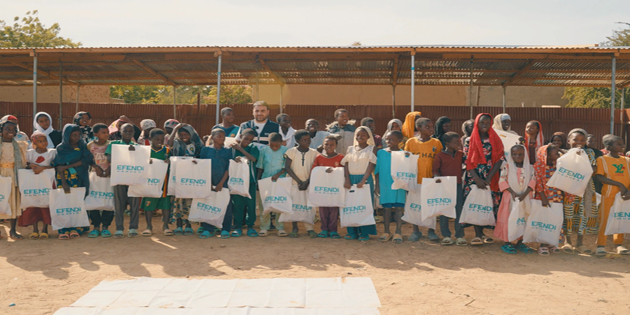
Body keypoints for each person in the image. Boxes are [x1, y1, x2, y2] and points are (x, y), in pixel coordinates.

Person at [463, 113, 505, 246]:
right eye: (482, 123)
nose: (484, 126)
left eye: (487, 123)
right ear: (477, 123)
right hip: (474, 175)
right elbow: (467, 160)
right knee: (476, 203)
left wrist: (488, 178)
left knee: (488, 204)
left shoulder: (495, 139)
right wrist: (477, 178)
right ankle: (477, 234)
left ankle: (484, 233)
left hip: (490, 176)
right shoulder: (469, 140)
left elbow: (499, 159)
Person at [404, 117, 443, 241]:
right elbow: (405, 160)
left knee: (431, 207)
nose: (431, 129)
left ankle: (431, 231)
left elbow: (440, 161)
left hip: (430, 180)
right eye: (427, 127)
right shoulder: (411, 142)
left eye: (432, 127)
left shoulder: (436, 143)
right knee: (415, 206)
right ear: (418, 128)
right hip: (415, 180)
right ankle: (416, 231)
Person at [561, 128, 599, 254]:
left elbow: (593, 168)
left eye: (582, 140)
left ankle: (580, 243)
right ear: (568, 141)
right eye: (575, 139)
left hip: (585, 188)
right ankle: (568, 242)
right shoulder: (563, 153)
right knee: (568, 214)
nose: (579, 142)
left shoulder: (589, 153)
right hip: (569, 188)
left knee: (582, 213)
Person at [54, 124, 94, 240]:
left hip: (79, 177)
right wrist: (64, 181)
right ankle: (64, 228)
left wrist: (68, 166)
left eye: (79, 135)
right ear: (67, 135)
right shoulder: (61, 148)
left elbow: (86, 160)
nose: (77, 137)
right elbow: (59, 165)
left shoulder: (82, 146)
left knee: (78, 202)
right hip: (65, 179)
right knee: (65, 202)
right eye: (74, 135)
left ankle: (77, 228)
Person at [594, 135, 630, 257]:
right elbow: (599, 176)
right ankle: (601, 245)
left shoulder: (626, 160)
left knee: (621, 217)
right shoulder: (602, 159)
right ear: (608, 147)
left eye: (622, 143)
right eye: (619, 144)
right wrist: (619, 184)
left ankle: (619, 244)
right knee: (605, 218)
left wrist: (628, 191)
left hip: (624, 195)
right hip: (609, 194)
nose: (622, 146)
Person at [495, 145, 535, 254]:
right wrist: (513, 193)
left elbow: (533, 181)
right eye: (515, 154)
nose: (517, 156)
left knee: (522, 219)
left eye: (520, 154)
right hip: (510, 197)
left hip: (525, 197)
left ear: (525, 155)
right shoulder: (507, 167)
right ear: (511, 155)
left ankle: (520, 242)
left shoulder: (530, 168)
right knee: (507, 218)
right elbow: (502, 181)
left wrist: (524, 194)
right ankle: (507, 242)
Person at [341, 126, 377, 241]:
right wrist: (347, 179)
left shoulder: (372, 149)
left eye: (363, 135)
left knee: (364, 206)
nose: (360, 137)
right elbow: (346, 164)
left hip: (364, 180)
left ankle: (364, 233)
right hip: (351, 179)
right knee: (351, 205)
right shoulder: (350, 149)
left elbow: (372, 165)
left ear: (368, 137)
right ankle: (352, 232)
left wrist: (364, 180)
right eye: (358, 135)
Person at [106, 123, 141, 238]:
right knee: (119, 204)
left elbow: (142, 161)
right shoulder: (114, 144)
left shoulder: (137, 146)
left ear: (133, 133)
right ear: (120, 132)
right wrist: (127, 151)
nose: (127, 133)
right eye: (125, 131)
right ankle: (119, 228)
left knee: (134, 204)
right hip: (119, 178)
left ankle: (133, 228)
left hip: (133, 178)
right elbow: (110, 158)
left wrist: (133, 151)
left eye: (130, 131)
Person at [19, 131, 56, 240]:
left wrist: (43, 168)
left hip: (47, 183)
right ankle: (34, 229)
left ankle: (44, 230)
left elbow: (56, 166)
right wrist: (30, 165)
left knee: (46, 205)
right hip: (33, 184)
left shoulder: (52, 152)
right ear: (34, 143)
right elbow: (25, 165)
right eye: (40, 141)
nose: (43, 143)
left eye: (44, 140)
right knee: (33, 205)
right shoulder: (29, 153)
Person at [168, 123, 203, 235]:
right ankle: (179, 225)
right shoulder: (177, 143)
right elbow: (169, 143)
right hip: (178, 176)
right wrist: (175, 129)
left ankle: (188, 224)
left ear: (191, 134)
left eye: (186, 134)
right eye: (181, 134)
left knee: (189, 201)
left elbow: (201, 157)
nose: (183, 136)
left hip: (191, 178)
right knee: (178, 201)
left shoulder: (196, 144)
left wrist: (196, 160)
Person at [432, 132, 466, 246]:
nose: (458, 144)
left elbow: (466, 166)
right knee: (444, 211)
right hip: (445, 186)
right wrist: (437, 178)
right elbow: (435, 170)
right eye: (455, 142)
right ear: (447, 143)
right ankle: (446, 235)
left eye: (459, 142)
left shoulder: (461, 154)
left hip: (458, 185)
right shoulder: (440, 156)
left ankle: (460, 235)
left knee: (459, 210)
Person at [199, 128, 234, 239]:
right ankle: (208, 228)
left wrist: (221, 183)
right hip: (208, 182)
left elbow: (229, 168)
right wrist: (208, 182)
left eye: (223, 136)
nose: (222, 138)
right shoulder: (205, 150)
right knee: (208, 205)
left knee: (226, 206)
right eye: (219, 136)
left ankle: (225, 229)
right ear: (212, 137)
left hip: (223, 182)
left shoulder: (228, 151)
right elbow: (202, 167)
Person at [284, 129, 319, 238]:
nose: (307, 142)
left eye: (308, 139)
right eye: (304, 140)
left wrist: (307, 182)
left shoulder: (314, 153)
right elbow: (287, 168)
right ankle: (295, 227)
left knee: (309, 207)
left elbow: (315, 169)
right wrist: (299, 182)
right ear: (298, 140)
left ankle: (310, 228)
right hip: (294, 183)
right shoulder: (291, 151)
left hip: (308, 184)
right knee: (294, 206)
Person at [375, 130, 406, 244]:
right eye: (387, 139)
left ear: (400, 141)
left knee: (399, 208)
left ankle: (398, 232)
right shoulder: (381, 153)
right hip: (385, 185)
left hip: (399, 185)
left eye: (391, 139)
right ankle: (386, 231)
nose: (388, 141)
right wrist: (377, 185)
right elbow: (377, 171)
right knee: (386, 208)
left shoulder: (404, 154)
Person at [0, 117, 28, 240]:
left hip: (13, 175)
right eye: (7, 129)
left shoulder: (20, 146)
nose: (10, 131)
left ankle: (13, 230)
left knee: (13, 201)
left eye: (13, 129)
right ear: (1, 130)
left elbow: (23, 161)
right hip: (1, 174)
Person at [141, 128, 172, 237]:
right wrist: (146, 162)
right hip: (150, 183)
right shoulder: (145, 151)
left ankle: (166, 226)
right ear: (150, 139)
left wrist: (169, 162)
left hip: (164, 182)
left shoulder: (167, 150)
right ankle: (149, 226)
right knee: (148, 205)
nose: (160, 141)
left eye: (162, 139)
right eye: (157, 139)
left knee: (165, 205)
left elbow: (173, 165)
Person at [256, 133, 289, 236]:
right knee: (264, 204)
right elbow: (260, 166)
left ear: (281, 143)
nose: (274, 147)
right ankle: (264, 227)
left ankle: (280, 227)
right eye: (272, 145)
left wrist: (278, 174)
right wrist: (258, 180)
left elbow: (287, 166)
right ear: (268, 143)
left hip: (281, 181)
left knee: (279, 203)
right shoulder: (264, 151)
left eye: (277, 145)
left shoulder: (285, 150)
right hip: (266, 181)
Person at [312, 135, 345, 239]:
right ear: (323, 145)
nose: (329, 146)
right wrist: (323, 171)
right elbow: (314, 172)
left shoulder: (340, 157)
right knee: (323, 208)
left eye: (332, 144)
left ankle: (333, 230)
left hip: (335, 189)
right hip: (322, 188)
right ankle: (324, 229)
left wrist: (334, 171)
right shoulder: (319, 157)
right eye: (326, 144)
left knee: (334, 208)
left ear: (336, 145)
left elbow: (344, 172)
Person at [533, 144, 563, 255]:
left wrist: (560, 149)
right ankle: (543, 245)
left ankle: (552, 242)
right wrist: (543, 197)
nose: (558, 155)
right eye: (555, 153)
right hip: (544, 197)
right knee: (544, 220)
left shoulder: (558, 165)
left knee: (555, 219)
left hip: (557, 196)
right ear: (547, 155)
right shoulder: (539, 166)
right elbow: (538, 183)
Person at [230, 128, 260, 237]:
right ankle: (238, 226)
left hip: (250, 181)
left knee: (251, 205)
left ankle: (250, 226)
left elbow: (253, 159)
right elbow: (228, 161)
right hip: (237, 181)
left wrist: (241, 150)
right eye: (246, 138)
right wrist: (235, 159)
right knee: (237, 204)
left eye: (250, 140)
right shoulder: (232, 148)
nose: (248, 141)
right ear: (241, 136)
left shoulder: (253, 148)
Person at [86, 123, 114, 238]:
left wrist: (109, 169)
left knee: (108, 200)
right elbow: (87, 159)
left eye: (107, 132)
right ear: (96, 134)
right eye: (103, 132)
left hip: (109, 176)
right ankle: (96, 226)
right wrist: (96, 167)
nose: (106, 134)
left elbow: (116, 158)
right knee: (94, 200)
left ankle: (106, 226)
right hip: (94, 176)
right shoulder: (90, 146)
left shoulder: (111, 145)